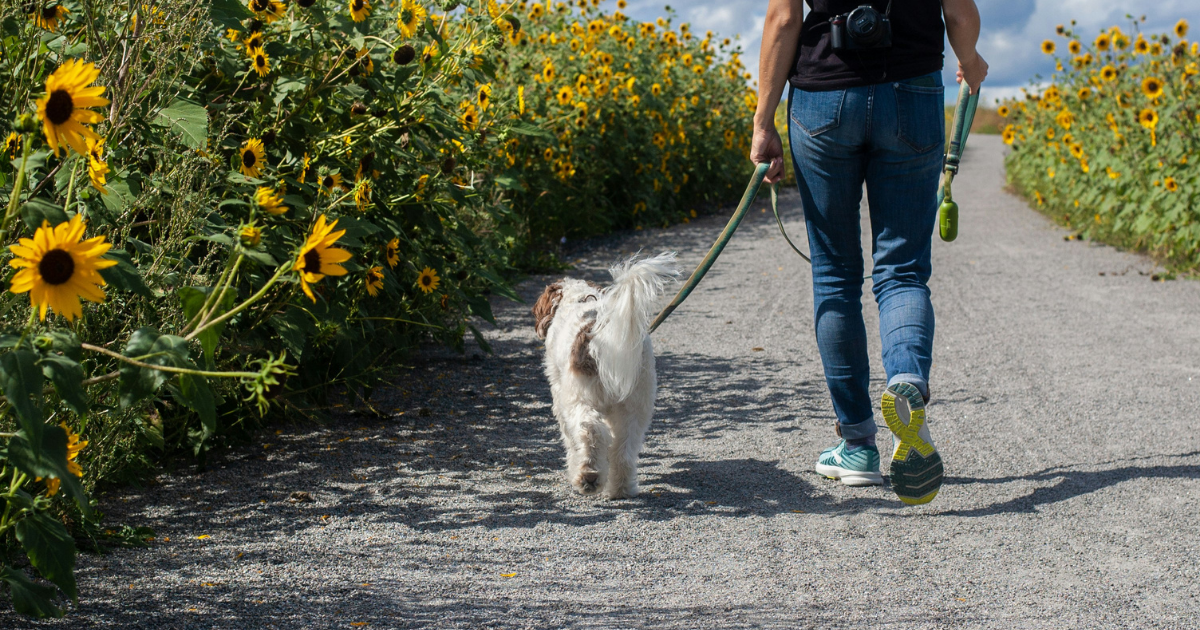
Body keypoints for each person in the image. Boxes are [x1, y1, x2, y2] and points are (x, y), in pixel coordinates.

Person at [751, 0, 987, 505]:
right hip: (913, 91)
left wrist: (763, 121)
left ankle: (857, 444)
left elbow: (784, 18)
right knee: (902, 271)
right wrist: (970, 58)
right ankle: (906, 378)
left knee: (835, 274)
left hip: (822, 97)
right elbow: (960, 13)